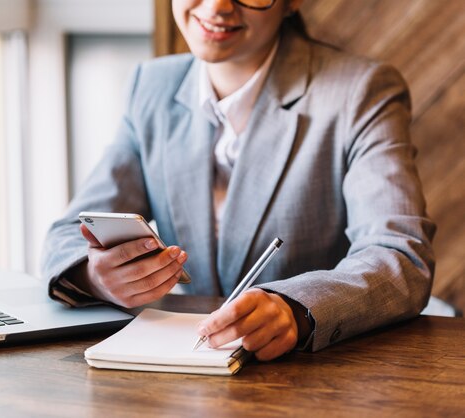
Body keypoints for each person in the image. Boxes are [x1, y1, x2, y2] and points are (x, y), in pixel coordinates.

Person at [41, 0, 435, 361]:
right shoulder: (151, 85)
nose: (216, 6)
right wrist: (97, 276)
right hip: (185, 368)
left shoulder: (359, 93)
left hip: (309, 372)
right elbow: (67, 234)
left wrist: (293, 306)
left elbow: (399, 256)